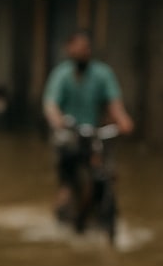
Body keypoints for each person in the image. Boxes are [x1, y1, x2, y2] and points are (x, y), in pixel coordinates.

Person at [41, 31, 134, 225]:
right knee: (69, 175)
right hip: (70, 134)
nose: (82, 52)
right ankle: (65, 202)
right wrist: (58, 121)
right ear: (69, 50)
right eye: (78, 49)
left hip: (94, 134)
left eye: (85, 49)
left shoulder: (102, 73)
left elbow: (114, 103)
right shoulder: (62, 74)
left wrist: (123, 119)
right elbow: (51, 104)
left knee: (107, 171)